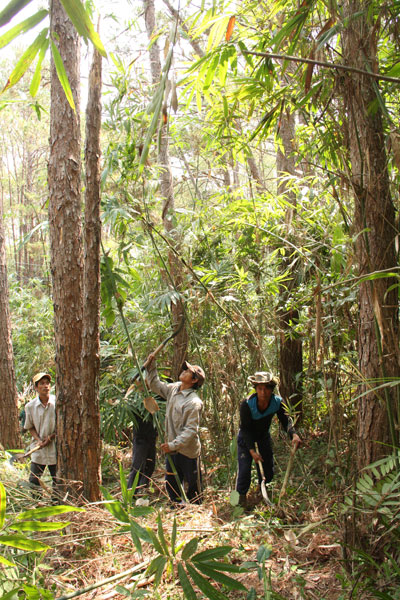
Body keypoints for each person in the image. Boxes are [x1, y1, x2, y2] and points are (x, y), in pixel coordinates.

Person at [236, 371, 301, 508]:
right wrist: (252, 451)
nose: (263, 392)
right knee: (244, 470)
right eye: (260, 388)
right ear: (256, 389)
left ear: (271, 389)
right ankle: (239, 502)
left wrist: (293, 434)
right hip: (246, 439)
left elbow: (286, 420)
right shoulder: (247, 405)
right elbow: (246, 430)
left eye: (266, 388)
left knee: (267, 468)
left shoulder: (277, 402)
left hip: (263, 437)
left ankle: (264, 496)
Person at [145, 356, 205, 504]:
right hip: (172, 448)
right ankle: (176, 508)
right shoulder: (174, 389)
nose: (184, 371)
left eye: (188, 371)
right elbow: (155, 385)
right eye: (185, 369)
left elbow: (190, 431)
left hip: (187, 451)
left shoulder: (193, 402)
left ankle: (195, 512)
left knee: (193, 488)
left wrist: (173, 445)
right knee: (172, 483)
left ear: (194, 380)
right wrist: (151, 366)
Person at [24, 373, 57, 500]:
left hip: (55, 446)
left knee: (57, 479)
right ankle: (38, 505)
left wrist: (51, 437)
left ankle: (56, 504)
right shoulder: (30, 406)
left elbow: (64, 424)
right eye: (42, 383)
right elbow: (30, 426)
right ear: (36, 388)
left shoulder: (57, 402)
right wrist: (38, 440)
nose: (45, 386)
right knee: (33, 480)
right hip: (39, 448)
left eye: (47, 383)